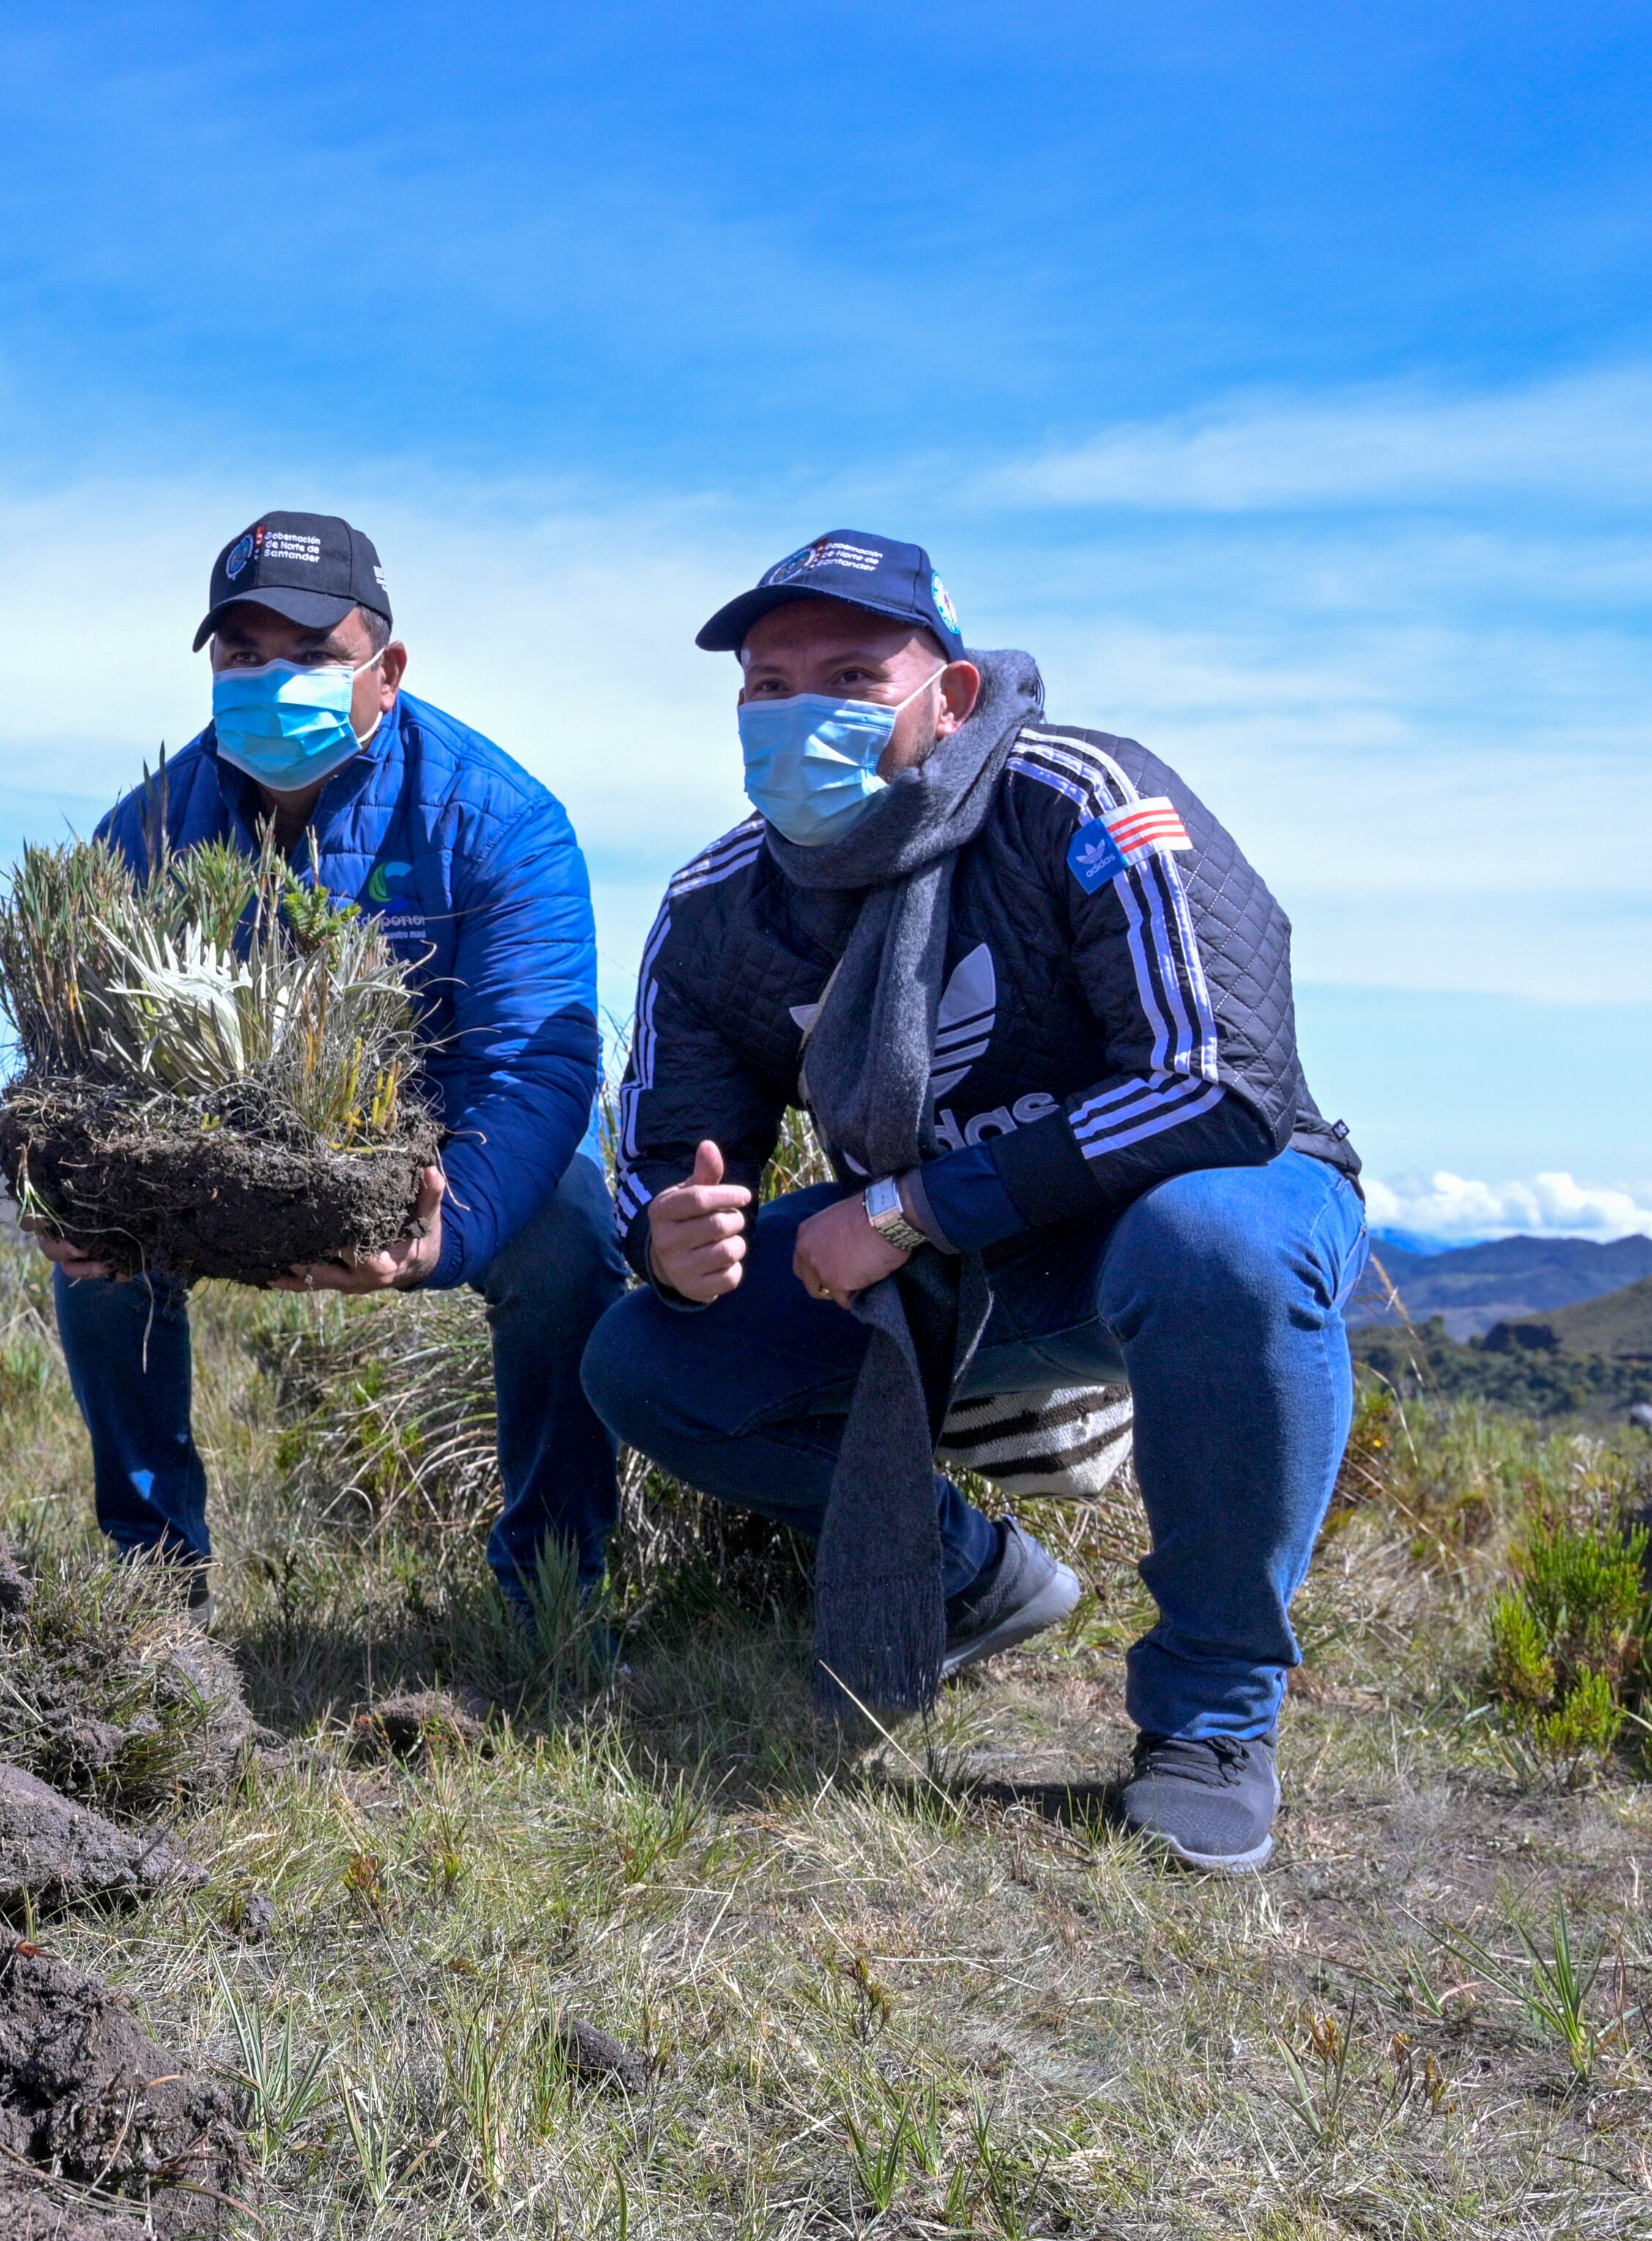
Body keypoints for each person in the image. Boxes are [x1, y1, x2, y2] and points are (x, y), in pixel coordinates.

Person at [581, 532, 1365, 1872]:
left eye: (849, 673)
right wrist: (671, 1237)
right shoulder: (722, 901)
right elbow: (666, 1152)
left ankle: (1214, 1714)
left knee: (1219, 1247)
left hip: (1174, 1214)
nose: (796, 710)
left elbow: (1219, 1085)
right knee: (647, 1360)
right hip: (952, 1257)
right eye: (767, 682)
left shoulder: (1081, 798)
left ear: (948, 694)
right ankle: (967, 1579)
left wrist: (907, 1210)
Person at [34, 512, 625, 1613]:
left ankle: (554, 1592)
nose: (270, 681)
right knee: (94, 1255)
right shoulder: (147, 832)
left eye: (310, 654)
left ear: (386, 670)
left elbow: (538, 1074)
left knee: (569, 1238)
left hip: (445, 1158)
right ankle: (152, 1580)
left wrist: (448, 1232)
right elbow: (84, 1049)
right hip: (227, 1150)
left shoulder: (501, 822)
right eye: (243, 656)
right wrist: (64, 1181)